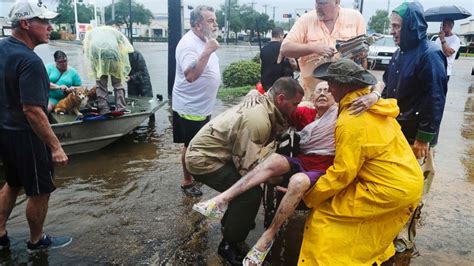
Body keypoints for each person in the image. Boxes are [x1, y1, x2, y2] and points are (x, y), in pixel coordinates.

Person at [193, 81, 337, 265]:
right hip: (208, 159)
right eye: (319, 90)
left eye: (328, 90)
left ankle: (245, 225)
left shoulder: (342, 115)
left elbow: (372, 93)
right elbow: (247, 166)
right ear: (312, 98)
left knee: (272, 179)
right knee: (251, 193)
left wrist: (374, 95)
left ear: (336, 96)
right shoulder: (302, 113)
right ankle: (230, 239)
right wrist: (254, 91)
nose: (323, 93)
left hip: (322, 168)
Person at [296, 58, 424, 265]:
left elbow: (343, 173)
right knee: (370, 227)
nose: (328, 88)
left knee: (325, 216)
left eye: (332, 83)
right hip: (409, 180)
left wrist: (310, 196)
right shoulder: (375, 105)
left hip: (388, 188)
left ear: (346, 86)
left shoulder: (351, 120)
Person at [0, 0, 71, 252]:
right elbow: (32, 110)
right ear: (25, 23)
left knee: (12, 182)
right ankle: (36, 240)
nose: (50, 27)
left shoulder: (3, 48)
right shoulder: (30, 61)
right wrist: (55, 146)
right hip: (28, 137)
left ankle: (0, 234)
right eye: (44, 22)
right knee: (40, 191)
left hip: (6, 132)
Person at [383, 2, 448, 253]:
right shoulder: (400, 52)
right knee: (396, 185)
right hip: (398, 132)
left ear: (411, 26)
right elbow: (388, 86)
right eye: (392, 26)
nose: (392, 32)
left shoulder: (429, 54)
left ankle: (405, 236)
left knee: (412, 188)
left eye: (397, 26)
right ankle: (390, 228)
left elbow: (435, 98)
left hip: (417, 137)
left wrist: (424, 137)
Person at [172, 5, 220, 197]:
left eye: (215, 20)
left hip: (203, 105)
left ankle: (195, 173)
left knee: (197, 143)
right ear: (197, 25)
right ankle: (187, 181)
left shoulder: (205, 39)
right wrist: (207, 51)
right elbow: (191, 75)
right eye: (211, 21)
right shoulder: (188, 44)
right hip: (190, 106)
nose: (215, 24)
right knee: (190, 145)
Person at [281, 0, 367, 99]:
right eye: (317, 2)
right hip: (313, 95)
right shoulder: (306, 20)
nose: (318, 7)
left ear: (337, 2)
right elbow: (285, 48)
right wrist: (313, 47)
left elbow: (363, 51)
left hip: (344, 95)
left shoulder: (355, 18)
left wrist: (361, 54)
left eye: (323, 3)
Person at [83, 22, 134, 115]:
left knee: (101, 84)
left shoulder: (93, 31)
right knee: (118, 83)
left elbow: (86, 47)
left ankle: (104, 109)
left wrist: (93, 62)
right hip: (113, 54)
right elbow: (124, 47)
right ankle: (120, 108)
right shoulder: (115, 32)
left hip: (97, 55)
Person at [126, 49, 155, 122]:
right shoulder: (121, 55)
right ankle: (134, 125)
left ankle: (151, 123)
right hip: (131, 82)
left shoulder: (137, 54)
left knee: (148, 105)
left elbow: (142, 71)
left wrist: (131, 77)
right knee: (132, 105)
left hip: (143, 82)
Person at [435, 18, 461, 83]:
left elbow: (448, 53)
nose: (441, 26)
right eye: (441, 24)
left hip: (445, 71)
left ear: (450, 26)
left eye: (443, 24)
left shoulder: (455, 39)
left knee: (440, 92)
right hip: (435, 69)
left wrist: (443, 39)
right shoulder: (438, 39)